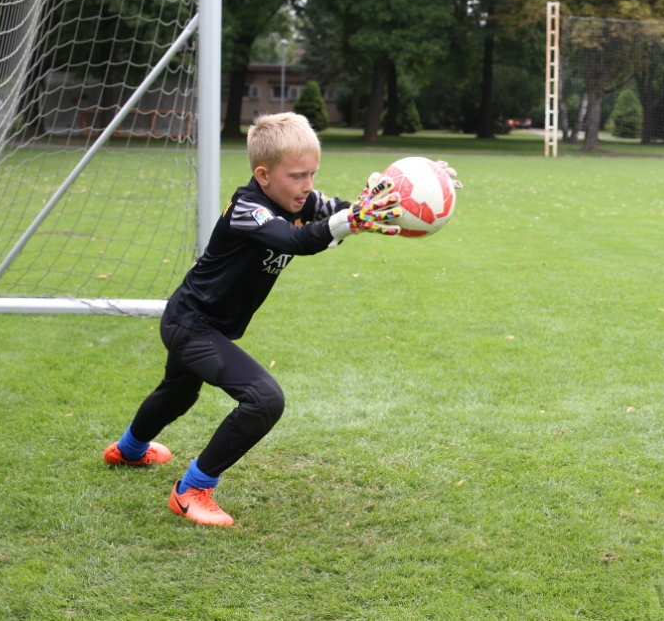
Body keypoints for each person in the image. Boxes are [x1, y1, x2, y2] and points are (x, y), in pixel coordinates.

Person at [103, 112, 461, 525]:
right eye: (296, 176)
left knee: (179, 394)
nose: (307, 186)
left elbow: (342, 214)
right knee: (264, 400)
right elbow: (295, 239)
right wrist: (349, 220)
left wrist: (404, 193)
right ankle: (192, 489)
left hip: (202, 322)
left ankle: (128, 450)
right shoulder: (247, 208)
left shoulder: (299, 199)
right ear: (263, 174)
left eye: (312, 174)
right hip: (191, 324)